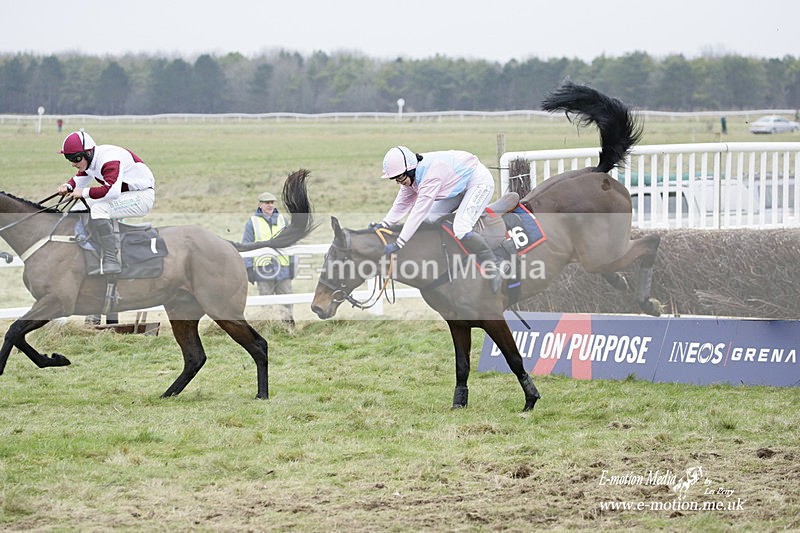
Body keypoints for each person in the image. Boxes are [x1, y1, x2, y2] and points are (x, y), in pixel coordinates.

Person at [374, 145, 510, 293]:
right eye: (396, 179)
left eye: (400, 178)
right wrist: (383, 224)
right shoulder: (411, 175)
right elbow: (401, 204)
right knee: (429, 219)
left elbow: (418, 212)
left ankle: (494, 265)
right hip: (456, 185)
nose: (399, 182)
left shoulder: (430, 176)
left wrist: (399, 243)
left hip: (477, 182)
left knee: (461, 227)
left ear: (410, 169)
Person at [56, 130, 155, 275]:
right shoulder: (91, 160)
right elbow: (81, 177)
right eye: (69, 159)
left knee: (98, 210)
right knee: (77, 209)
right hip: (124, 195)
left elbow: (111, 191)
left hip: (141, 197)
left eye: (75, 159)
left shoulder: (109, 160)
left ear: (88, 153)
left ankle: (111, 260)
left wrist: (83, 192)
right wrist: (68, 186)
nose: (72, 163)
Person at [242, 191, 295, 327]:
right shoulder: (252, 223)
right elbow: (246, 245)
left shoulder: (283, 220)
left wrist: (292, 265)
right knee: (266, 302)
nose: (270, 205)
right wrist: (248, 268)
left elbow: (291, 244)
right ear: (260, 205)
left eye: (272, 202)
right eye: (266, 203)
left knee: (287, 300)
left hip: (283, 268)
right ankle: (268, 328)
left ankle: (289, 328)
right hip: (263, 269)